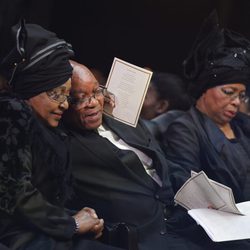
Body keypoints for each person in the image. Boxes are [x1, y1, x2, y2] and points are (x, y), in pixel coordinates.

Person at [0, 20, 120, 250]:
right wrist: (71, 223)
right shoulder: (11, 113)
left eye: (67, 96)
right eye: (56, 94)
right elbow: (14, 191)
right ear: (30, 89)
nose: (64, 104)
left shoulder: (45, 128)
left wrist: (77, 217)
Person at [62, 60, 202, 250]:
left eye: (96, 92)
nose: (93, 103)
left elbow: (161, 165)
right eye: (80, 98)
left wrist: (201, 191)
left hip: (182, 219)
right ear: (62, 101)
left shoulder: (125, 119)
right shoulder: (63, 143)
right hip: (142, 238)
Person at [162, 11, 250, 250]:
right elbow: (185, 182)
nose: (235, 102)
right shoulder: (186, 128)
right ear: (204, 90)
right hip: (216, 228)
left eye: (240, 95)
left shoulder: (243, 126)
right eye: (228, 92)